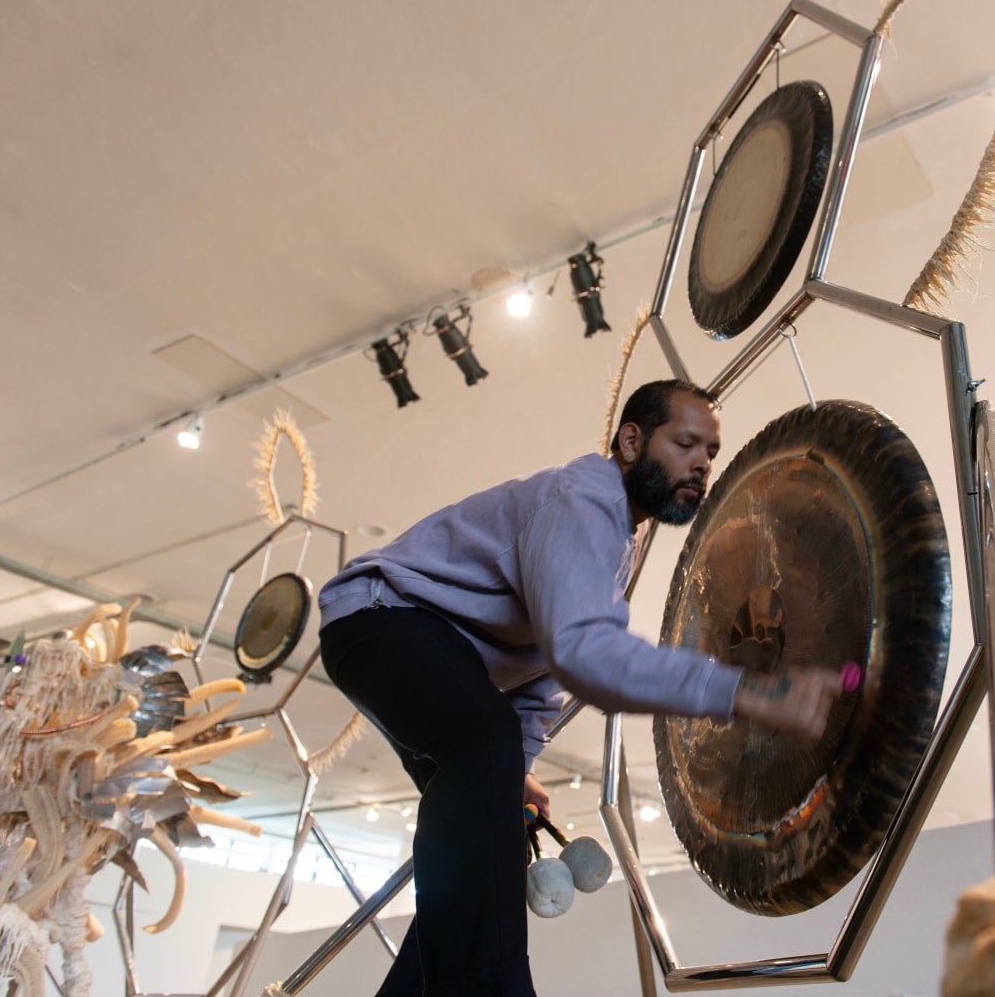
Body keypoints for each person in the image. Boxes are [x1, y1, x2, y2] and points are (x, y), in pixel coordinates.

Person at [317, 379, 843, 997]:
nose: (702, 463)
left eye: (711, 451)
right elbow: (580, 652)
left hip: (437, 650)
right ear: (631, 441)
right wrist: (742, 693)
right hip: (378, 618)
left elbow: (538, 663)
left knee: (493, 833)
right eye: (684, 443)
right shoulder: (581, 500)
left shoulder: (623, 535)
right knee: (483, 747)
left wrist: (521, 763)